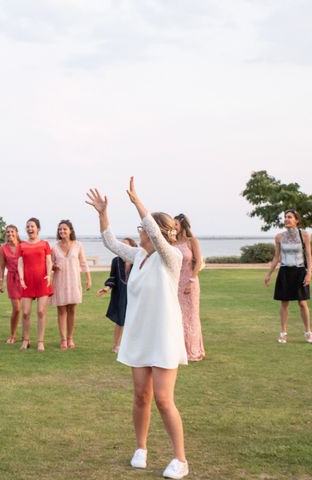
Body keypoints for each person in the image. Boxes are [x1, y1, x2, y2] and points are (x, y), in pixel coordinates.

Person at [86, 177, 189, 479]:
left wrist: (137, 202)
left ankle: (180, 459)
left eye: (143, 229)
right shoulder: (139, 256)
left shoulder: (172, 257)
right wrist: (103, 212)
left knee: (163, 398)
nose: (139, 232)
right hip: (139, 334)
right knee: (140, 395)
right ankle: (141, 448)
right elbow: (110, 242)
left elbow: (156, 233)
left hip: (164, 336)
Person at [264, 209, 312, 344]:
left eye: (290, 217)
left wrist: (309, 273)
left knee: (302, 303)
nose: (286, 219)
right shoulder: (279, 237)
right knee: (284, 303)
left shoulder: (305, 235)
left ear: (296, 220)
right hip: (285, 271)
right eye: (285, 217)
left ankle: (308, 332)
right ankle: (283, 333)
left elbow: (308, 255)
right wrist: (269, 274)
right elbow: (276, 257)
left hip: (300, 271)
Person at [49, 220, 92, 350]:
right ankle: (63, 339)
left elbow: (83, 263)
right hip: (60, 281)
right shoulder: (54, 247)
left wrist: (88, 279)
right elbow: (49, 264)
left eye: (64, 229)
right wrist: (53, 267)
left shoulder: (78, 245)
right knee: (61, 310)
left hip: (73, 281)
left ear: (70, 230)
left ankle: (70, 338)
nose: (62, 231)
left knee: (72, 310)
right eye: (60, 229)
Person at [17, 218, 53, 352]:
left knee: (41, 311)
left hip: (42, 280)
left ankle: (40, 341)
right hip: (27, 282)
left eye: (32, 226)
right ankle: (26, 340)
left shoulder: (45, 244)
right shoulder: (22, 245)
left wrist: (49, 274)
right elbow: (20, 263)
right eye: (27, 226)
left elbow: (49, 262)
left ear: (38, 228)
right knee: (25, 313)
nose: (30, 229)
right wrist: (21, 278)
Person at [97, 238, 138, 353]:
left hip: (135, 294)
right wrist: (107, 288)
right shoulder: (116, 261)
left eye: (125, 245)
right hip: (120, 293)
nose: (122, 247)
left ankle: (134, 346)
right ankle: (116, 345)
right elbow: (113, 277)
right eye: (121, 245)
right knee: (120, 320)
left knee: (135, 320)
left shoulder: (138, 260)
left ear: (132, 247)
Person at [174, 214, 205, 360]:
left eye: (175, 225)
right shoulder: (171, 243)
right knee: (177, 315)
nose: (173, 227)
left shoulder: (191, 241)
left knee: (191, 315)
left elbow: (198, 261)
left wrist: (191, 280)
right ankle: (178, 349)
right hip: (174, 282)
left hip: (190, 281)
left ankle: (193, 350)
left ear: (182, 225)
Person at [0, 225, 22, 344]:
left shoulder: (23, 246)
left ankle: (25, 335)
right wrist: (0, 283)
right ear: (5, 234)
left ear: (17, 233)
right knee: (17, 309)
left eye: (12, 232)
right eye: (7, 232)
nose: (10, 234)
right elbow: (2, 267)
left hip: (24, 279)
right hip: (12, 279)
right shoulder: (3, 248)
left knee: (26, 309)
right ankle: (13, 334)